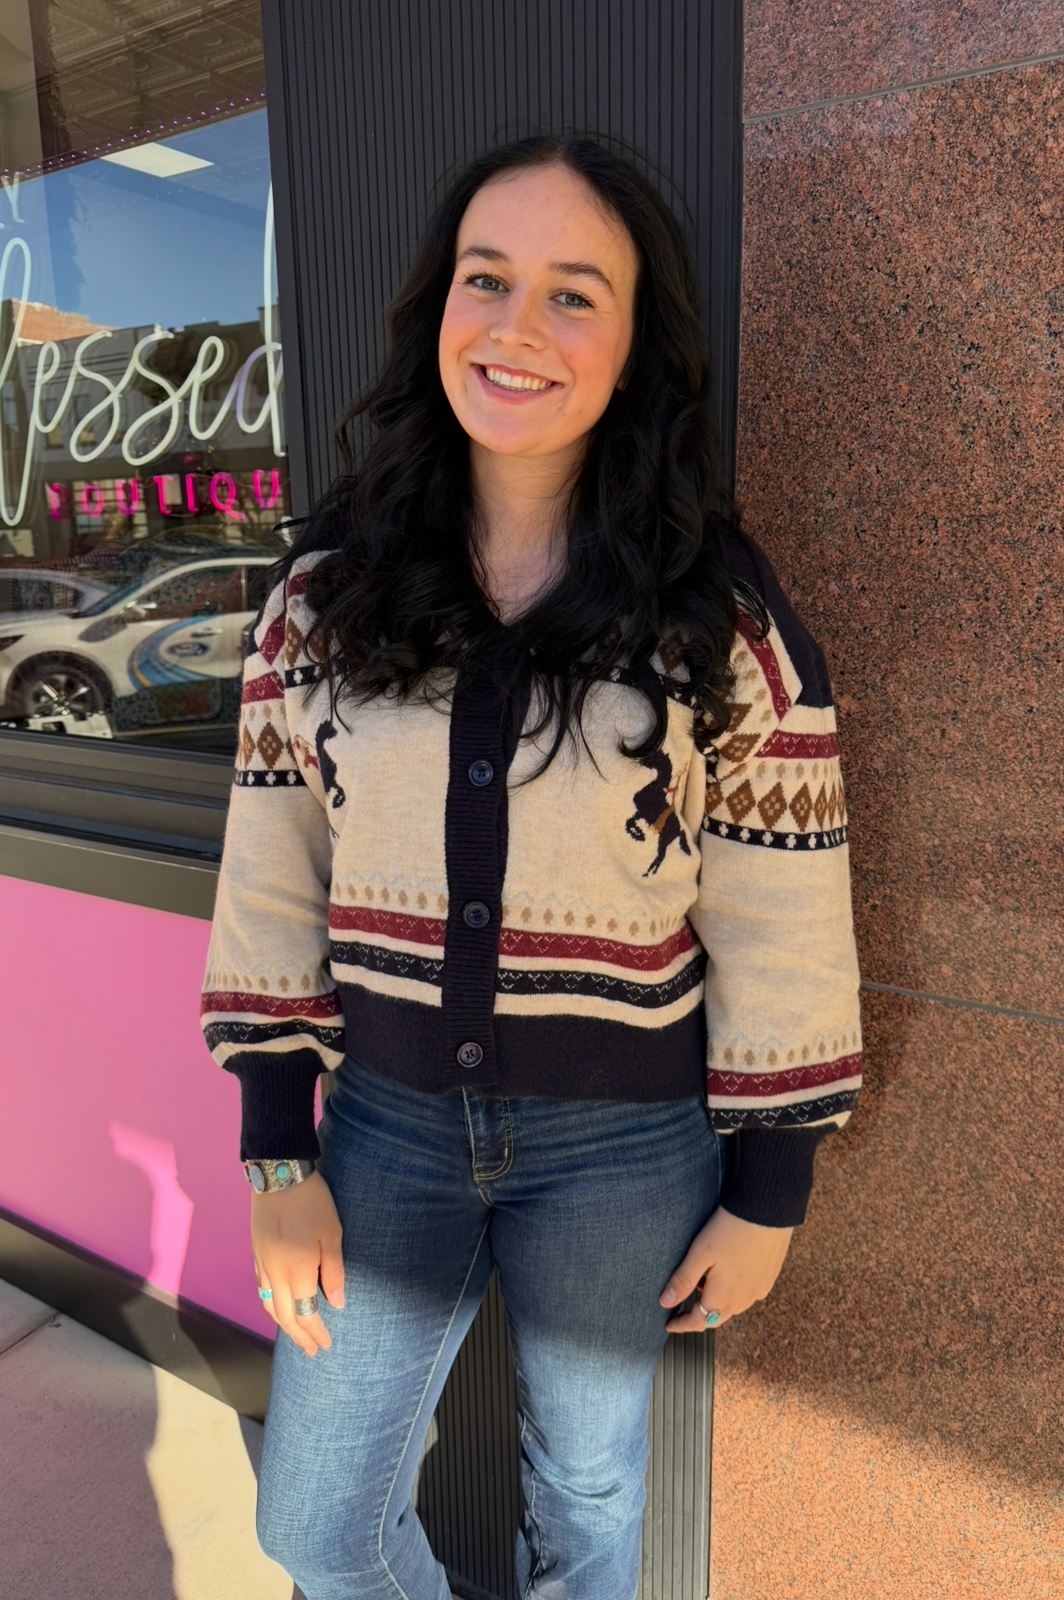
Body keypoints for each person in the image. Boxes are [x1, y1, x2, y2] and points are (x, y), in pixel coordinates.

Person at [200, 135, 861, 1600]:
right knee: (315, 1522)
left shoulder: (716, 613)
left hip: (628, 1150)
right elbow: (272, 867)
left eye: (575, 294)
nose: (514, 327)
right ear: (438, 304)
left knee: (592, 1497)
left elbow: (781, 899)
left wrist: (774, 1181)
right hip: (383, 1130)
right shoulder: (324, 596)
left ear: (635, 344)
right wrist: (277, 1145)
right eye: (486, 279)